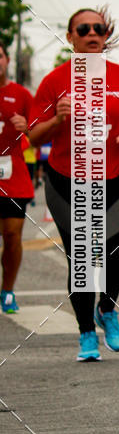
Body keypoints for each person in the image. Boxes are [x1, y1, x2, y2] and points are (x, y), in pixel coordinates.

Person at [29, 7, 119, 361]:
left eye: (98, 28)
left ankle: (107, 309)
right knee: (82, 260)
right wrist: (56, 119)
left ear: (106, 35)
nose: (92, 33)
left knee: (117, 257)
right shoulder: (54, 81)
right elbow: (33, 136)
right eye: (83, 29)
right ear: (70, 37)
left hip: (116, 178)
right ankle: (86, 334)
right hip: (68, 181)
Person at [0, 42, 34, 313]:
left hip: (13, 176)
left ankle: (8, 291)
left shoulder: (21, 95)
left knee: (12, 236)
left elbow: (40, 131)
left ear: (7, 60)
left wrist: (28, 127)